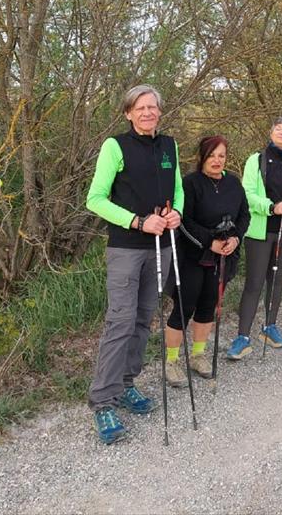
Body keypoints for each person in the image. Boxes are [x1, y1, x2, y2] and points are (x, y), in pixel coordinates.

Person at [86, 85, 183, 444]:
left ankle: (127, 384)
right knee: (121, 322)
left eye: (152, 107)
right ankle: (103, 401)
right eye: (140, 108)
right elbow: (95, 199)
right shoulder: (115, 146)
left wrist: (176, 213)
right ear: (128, 113)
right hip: (127, 248)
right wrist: (138, 222)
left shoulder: (169, 145)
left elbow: (177, 190)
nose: (147, 113)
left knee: (143, 319)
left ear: (159, 111)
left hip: (161, 248)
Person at [164, 135, 250, 387]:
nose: (216, 160)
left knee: (208, 306)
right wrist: (209, 242)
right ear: (202, 157)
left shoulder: (233, 183)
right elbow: (184, 221)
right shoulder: (190, 184)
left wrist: (235, 238)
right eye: (211, 155)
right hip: (192, 255)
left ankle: (198, 356)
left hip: (222, 256)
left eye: (221, 156)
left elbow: (244, 215)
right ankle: (172, 361)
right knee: (184, 307)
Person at [227, 117, 282, 358]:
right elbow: (247, 193)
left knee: (277, 280)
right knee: (254, 283)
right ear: (271, 133)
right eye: (278, 129)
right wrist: (271, 207)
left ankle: (270, 327)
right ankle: (242, 337)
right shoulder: (257, 159)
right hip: (260, 232)